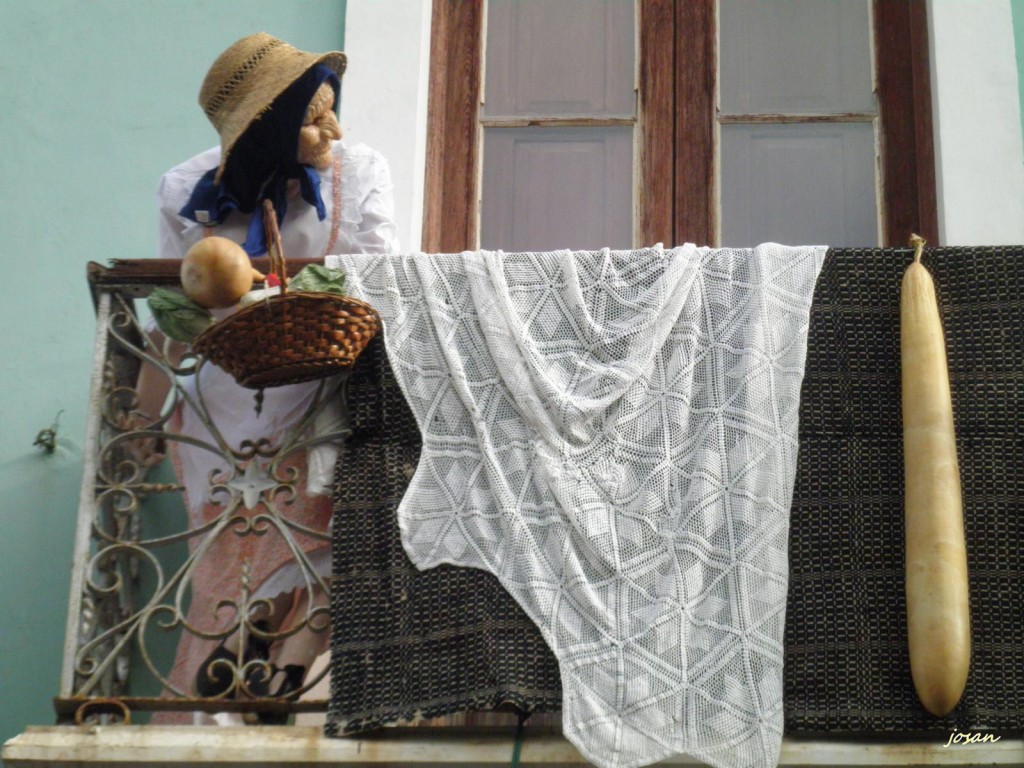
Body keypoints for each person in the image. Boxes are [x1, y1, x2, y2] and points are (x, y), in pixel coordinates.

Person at [137, 32, 399, 725]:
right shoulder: (183, 192)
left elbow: (379, 286)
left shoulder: (361, 170)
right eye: (315, 117)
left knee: (326, 539)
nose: (334, 129)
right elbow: (173, 305)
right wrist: (142, 418)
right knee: (235, 552)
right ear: (267, 125)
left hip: (323, 382)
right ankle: (231, 665)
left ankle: (278, 677)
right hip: (227, 402)